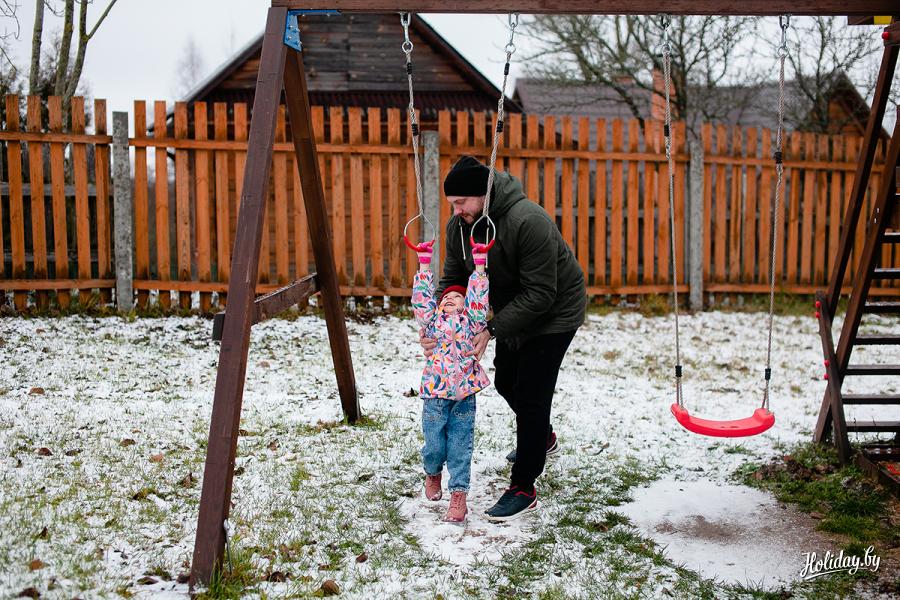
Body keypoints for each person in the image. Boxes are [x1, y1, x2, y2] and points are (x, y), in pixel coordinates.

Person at [422, 155, 587, 522]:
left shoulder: (528, 221)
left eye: (461, 202)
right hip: (513, 308)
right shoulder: (460, 227)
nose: (456, 210)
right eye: (452, 204)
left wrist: (491, 329)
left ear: (483, 195)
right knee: (505, 381)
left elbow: (542, 294)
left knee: (531, 393)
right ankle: (542, 436)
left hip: (556, 311)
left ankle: (524, 487)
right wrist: (439, 321)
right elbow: (454, 278)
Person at [411, 239, 491, 523]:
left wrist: (479, 266)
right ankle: (432, 472)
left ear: (465, 305)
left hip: (464, 395)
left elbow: (478, 300)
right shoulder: (432, 322)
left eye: (457, 297)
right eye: (446, 297)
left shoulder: (472, 322)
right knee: (434, 445)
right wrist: (424, 263)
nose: (450, 299)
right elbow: (422, 300)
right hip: (435, 393)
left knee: (460, 446)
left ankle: (459, 495)